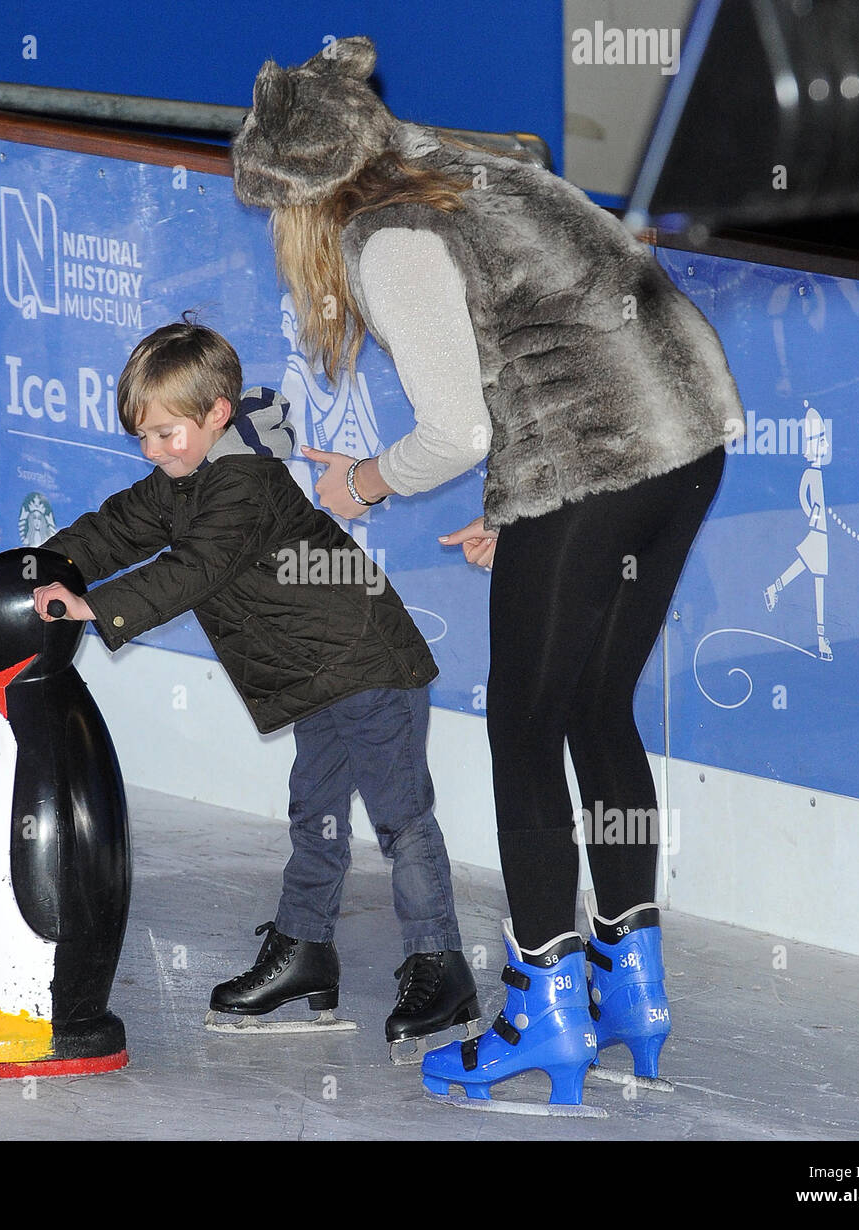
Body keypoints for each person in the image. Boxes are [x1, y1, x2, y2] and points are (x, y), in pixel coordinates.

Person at [230, 37, 745, 1109]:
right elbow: (557, 330)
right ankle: (630, 985)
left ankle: (543, 1006)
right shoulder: (461, 163)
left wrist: (364, 485)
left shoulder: (387, 237)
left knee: (523, 728)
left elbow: (457, 428)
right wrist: (525, 512)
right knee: (596, 707)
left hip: (602, 454)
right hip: (685, 430)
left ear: (300, 196)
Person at [31, 318, 479, 1058]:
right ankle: (305, 954)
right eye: (142, 438)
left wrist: (94, 606)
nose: (153, 452)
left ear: (216, 414)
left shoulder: (242, 483)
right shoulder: (187, 476)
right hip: (317, 677)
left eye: (166, 434)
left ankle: (443, 966)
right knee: (317, 817)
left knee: (401, 820)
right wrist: (43, 561)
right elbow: (115, 528)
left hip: (367, 665)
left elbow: (196, 568)